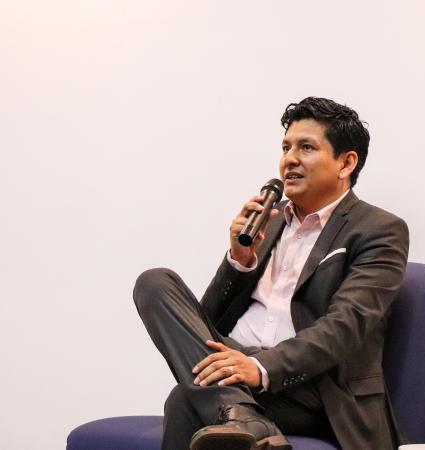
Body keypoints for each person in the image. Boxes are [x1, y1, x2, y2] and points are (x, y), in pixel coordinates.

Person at [133, 97, 409, 450]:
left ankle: (239, 412)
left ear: (346, 163)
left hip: (314, 387)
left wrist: (260, 366)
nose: (289, 159)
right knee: (154, 282)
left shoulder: (379, 229)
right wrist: (239, 261)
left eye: (306, 147)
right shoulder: (268, 219)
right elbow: (205, 322)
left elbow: (345, 327)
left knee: (185, 399)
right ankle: (243, 415)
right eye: (285, 147)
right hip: (240, 365)